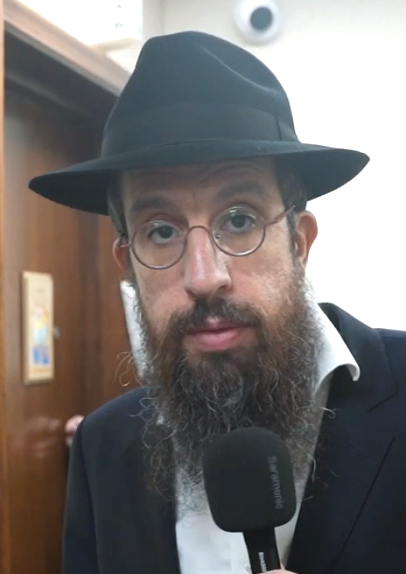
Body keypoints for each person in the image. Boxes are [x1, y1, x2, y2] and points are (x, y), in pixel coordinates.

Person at [28, 31, 406, 574]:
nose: (204, 278)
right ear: (128, 265)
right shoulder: (104, 446)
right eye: (161, 231)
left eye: (239, 219)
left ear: (299, 243)